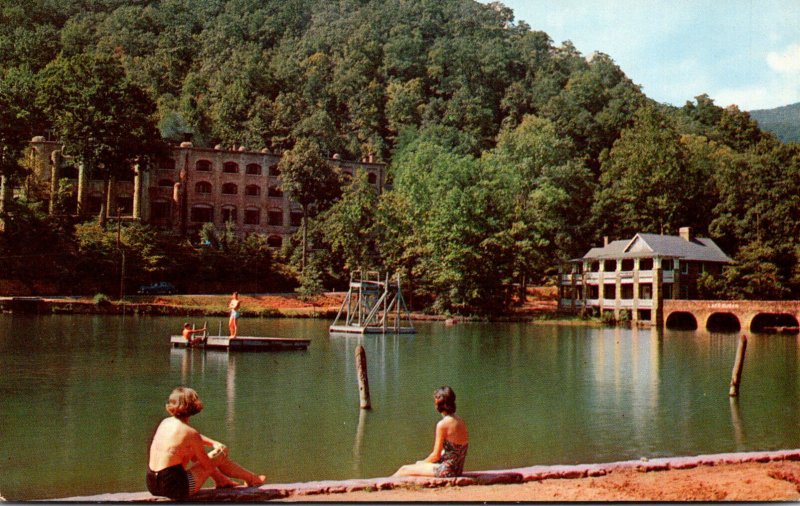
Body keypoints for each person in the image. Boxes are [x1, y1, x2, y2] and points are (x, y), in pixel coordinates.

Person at [146, 386, 266, 500]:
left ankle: (224, 481)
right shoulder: (190, 433)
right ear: (193, 406)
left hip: (152, 484)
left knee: (191, 451)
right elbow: (207, 465)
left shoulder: (165, 423)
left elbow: (188, 437)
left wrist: (213, 443)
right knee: (219, 454)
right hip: (177, 489)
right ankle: (253, 479)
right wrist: (220, 452)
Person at [393, 386, 469, 478]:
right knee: (419, 465)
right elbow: (454, 450)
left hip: (446, 471)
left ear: (439, 404)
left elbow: (436, 455)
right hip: (457, 469)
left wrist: (421, 463)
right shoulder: (460, 420)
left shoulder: (442, 424)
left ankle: (385, 485)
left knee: (404, 469)